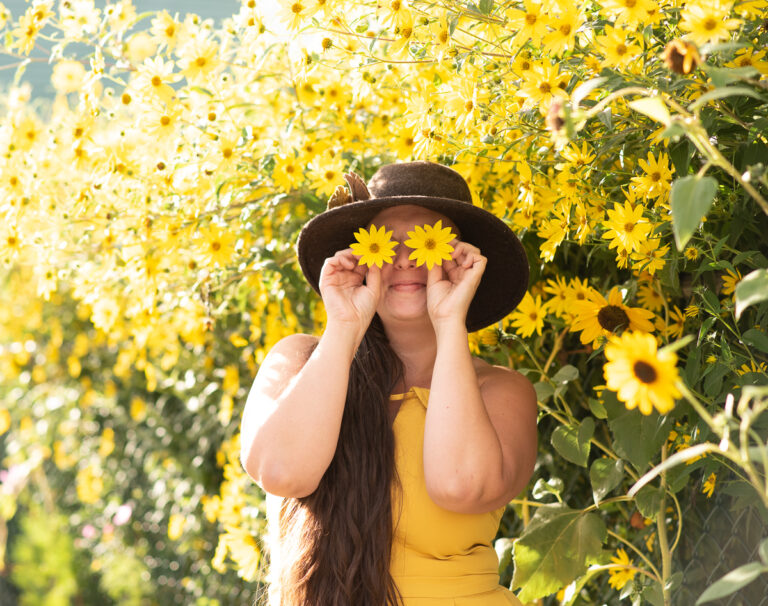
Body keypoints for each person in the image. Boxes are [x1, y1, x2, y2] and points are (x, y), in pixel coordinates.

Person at [240, 161, 538, 606]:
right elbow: (282, 472)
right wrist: (344, 325)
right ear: (361, 257)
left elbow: (461, 485)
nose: (404, 259)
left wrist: (450, 319)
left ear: (463, 261)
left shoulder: (500, 390)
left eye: (429, 243)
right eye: (385, 244)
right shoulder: (298, 360)